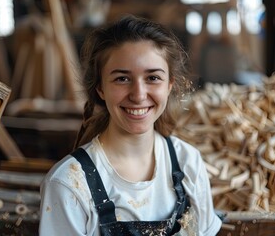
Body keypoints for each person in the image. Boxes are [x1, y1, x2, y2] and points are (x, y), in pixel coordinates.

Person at [39, 15, 222, 236]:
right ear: (100, 88)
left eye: (153, 78)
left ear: (170, 84)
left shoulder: (188, 163)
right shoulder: (69, 183)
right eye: (122, 79)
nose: (138, 95)